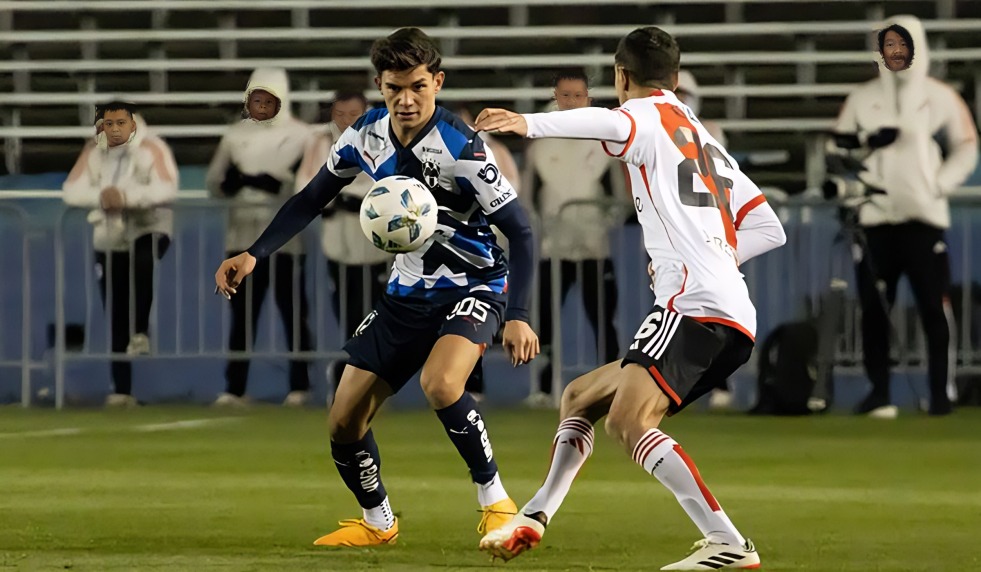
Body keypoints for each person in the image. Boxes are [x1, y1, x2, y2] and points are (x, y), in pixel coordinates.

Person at [474, 26, 785, 569]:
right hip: (726, 308)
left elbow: (605, 121)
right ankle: (536, 514)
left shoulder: (643, 116)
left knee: (629, 422)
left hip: (693, 306)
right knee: (579, 397)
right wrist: (716, 254)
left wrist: (527, 123)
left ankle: (729, 543)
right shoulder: (701, 135)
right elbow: (768, 226)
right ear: (677, 77)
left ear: (621, 77)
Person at [214, 28, 539, 546]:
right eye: (394, 89)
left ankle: (497, 504)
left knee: (441, 384)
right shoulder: (364, 134)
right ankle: (379, 522)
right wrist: (255, 253)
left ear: (437, 82)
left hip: (473, 285)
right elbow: (311, 197)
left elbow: (520, 231)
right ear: (379, 86)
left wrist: (518, 312)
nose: (406, 100)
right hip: (406, 294)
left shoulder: (465, 148)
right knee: (343, 420)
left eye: (417, 87)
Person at [832, 15, 978, 417]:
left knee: (934, 307)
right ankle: (879, 392)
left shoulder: (940, 96)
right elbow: (839, 149)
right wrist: (866, 146)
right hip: (876, 218)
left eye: (904, 44)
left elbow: (967, 145)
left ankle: (939, 394)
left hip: (923, 216)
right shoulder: (862, 98)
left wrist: (939, 183)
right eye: (889, 44)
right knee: (875, 309)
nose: (896, 52)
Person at [207, 67, 315, 408]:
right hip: (241, 237)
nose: (263, 106)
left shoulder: (302, 136)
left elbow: (310, 181)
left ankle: (301, 384)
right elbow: (214, 181)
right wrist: (236, 182)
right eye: (257, 99)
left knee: (292, 312)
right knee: (242, 317)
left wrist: (280, 183)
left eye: (270, 100)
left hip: (285, 240)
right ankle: (234, 387)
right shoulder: (234, 135)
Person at [522, 70, 626, 407]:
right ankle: (542, 387)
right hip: (554, 251)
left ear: (588, 98)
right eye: (564, 95)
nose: (570, 102)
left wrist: (602, 224)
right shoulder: (540, 146)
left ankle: (611, 384)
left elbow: (618, 195)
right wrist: (547, 226)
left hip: (595, 249)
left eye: (577, 95)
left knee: (603, 320)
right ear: (555, 96)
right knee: (545, 323)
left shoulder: (603, 142)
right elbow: (529, 196)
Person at [63, 102, 178, 408]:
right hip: (109, 235)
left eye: (119, 122)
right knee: (114, 307)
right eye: (107, 123)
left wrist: (126, 198)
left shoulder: (152, 147)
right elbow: (71, 189)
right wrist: (101, 197)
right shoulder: (94, 151)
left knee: (143, 259)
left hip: (149, 226)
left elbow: (167, 187)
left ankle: (140, 330)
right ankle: (121, 389)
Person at [295, 91, 394, 390]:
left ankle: (372, 376)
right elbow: (305, 183)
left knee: (375, 313)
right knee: (347, 312)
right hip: (336, 245)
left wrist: (360, 201)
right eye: (340, 115)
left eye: (353, 114)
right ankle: (354, 376)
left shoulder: (384, 138)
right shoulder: (321, 143)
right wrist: (337, 200)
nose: (346, 121)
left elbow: (392, 182)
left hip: (377, 246)